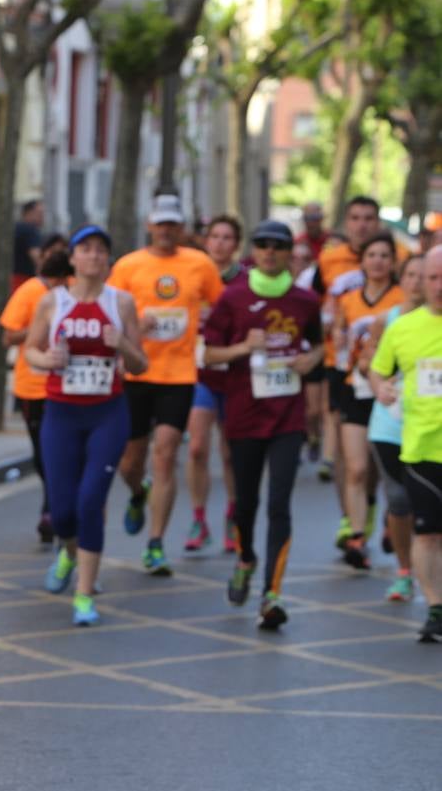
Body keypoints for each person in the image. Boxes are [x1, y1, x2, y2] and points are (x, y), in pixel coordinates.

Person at [201, 220, 323, 631]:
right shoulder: (232, 298)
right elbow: (208, 355)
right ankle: (246, 557)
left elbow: (319, 343)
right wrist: (242, 347)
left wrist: (313, 358)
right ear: (253, 252)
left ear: (291, 252)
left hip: (288, 416)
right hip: (244, 413)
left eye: (278, 246)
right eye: (263, 245)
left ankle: (272, 593)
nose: (270, 252)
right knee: (249, 503)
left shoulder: (305, 301)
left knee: (279, 503)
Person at [27, 225, 148, 625]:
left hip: (107, 414)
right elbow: (30, 352)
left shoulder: (122, 303)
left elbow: (140, 364)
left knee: (90, 501)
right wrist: (49, 361)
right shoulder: (52, 302)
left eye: (101, 250)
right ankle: (67, 550)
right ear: (73, 259)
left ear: (108, 261)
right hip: (61, 414)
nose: (94, 256)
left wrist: (122, 344)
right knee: (62, 512)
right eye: (86, 249)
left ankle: (83, 595)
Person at [109, 193, 225, 575]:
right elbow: (106, 313)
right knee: (130, 461)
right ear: (149, 225)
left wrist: (214, 334)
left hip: (179, 375)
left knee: (165, 454)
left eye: (173, 224)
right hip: (136, 374)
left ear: (181, 227)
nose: (166, 230)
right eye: (160, 224)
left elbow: (223, 309)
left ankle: (156, 543)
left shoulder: (200, 264)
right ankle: (137, 494)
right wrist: (133, 330)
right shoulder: (128, 266)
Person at [369, 245, 442, 643]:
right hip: (421, 448)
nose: (438, 286)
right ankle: (435, 606)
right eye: (432, 278)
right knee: (428, 533)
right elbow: (378, 371)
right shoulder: (403, 329)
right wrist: (381, 390)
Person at [332, 230, 405, 568]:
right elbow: (339, 345)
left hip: (393, 393)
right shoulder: (347, 300)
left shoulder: (402, 301)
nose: (377, 261)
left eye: (384, 256)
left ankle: (394, 518)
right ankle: (357, 534)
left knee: (388, 469)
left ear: (393, 263)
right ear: (361, 261)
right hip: (355, 390)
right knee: (357, 468)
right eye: (371, 255)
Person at [363, 254, 427, 602]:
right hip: (391, 424)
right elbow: (366, 364)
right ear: (401, 280)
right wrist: (380, 385)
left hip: (432, 427)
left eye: (427, 276)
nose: (418, 282)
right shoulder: (385, 321)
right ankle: (404, 572)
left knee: (430, 507)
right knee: (400, 502)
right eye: (412, 275)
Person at [0, 249, 73, 544]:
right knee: (43, 455)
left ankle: (52, 510)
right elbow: (8, 337)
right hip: (32, 386)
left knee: (63, 452)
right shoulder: (30, 292)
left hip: (66, 386)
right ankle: (53, 505)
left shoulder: (79, 296)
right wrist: (40, 326)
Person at [185, 214, 245, 553]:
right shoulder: (191, 275)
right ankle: (198, 518)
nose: (220, 243)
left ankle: (233, 516)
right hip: (200, 374)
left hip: (235, 375)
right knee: (196, 448)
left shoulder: (245, 281)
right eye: (215, 237)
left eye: (227, 237)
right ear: (206, 241)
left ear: (236, 244)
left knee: (230, 453)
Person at [12, 200, 46, 293]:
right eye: (39, 213)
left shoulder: (16, 228)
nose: (43, 217)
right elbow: (37, 257)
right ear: (28, 213)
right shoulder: (29, 230)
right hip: (23, 281)